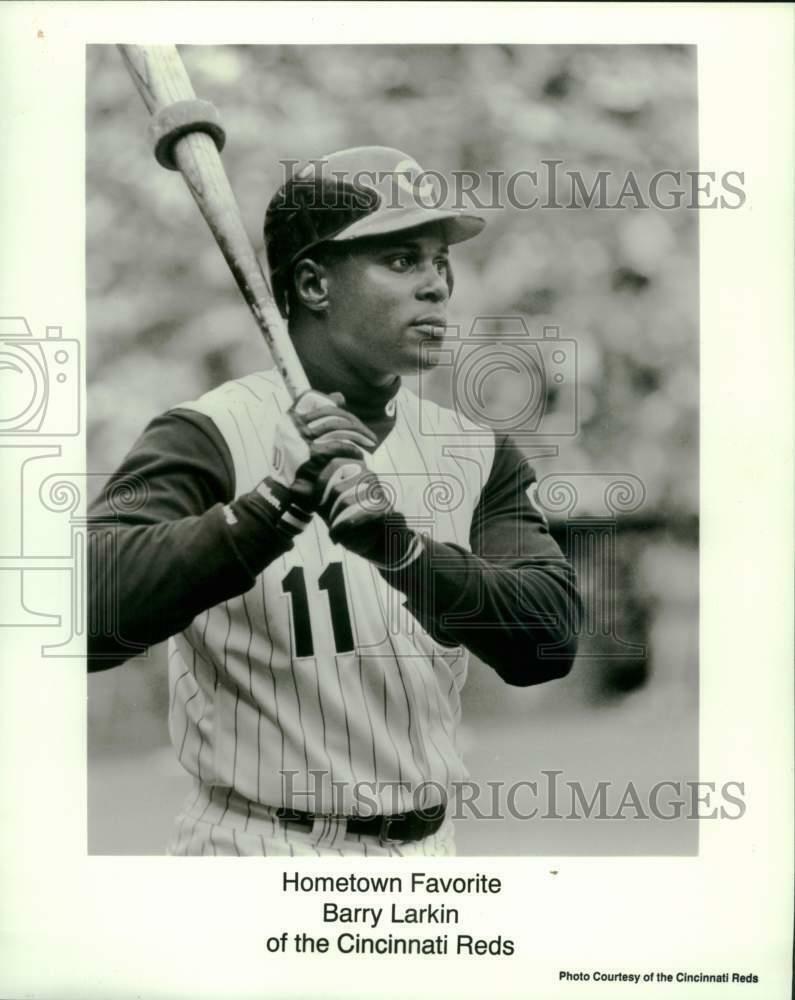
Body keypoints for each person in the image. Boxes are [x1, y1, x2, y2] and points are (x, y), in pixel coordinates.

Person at [88, 146, 581, 857]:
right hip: (253, 850)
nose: (437, 285)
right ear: (314, 283)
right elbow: (84, 618)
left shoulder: (475, 451)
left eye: (440, 260)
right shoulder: (208, 435)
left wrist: (401, 551)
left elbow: (547, 642)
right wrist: (270, 510)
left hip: (426, 857)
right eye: (402, 260)